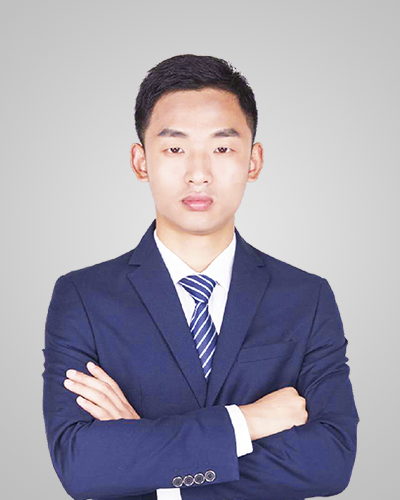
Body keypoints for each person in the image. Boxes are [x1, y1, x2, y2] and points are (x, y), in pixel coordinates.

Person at [42, 54, 359, 500]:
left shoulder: (307, 298)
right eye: (175, 148)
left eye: (222, 148)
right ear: (141, 161)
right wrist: (246, 422)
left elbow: (331, 462)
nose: (198, 174)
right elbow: (82, 467)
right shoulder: (83, 298)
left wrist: (145, 455)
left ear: (253, 161)